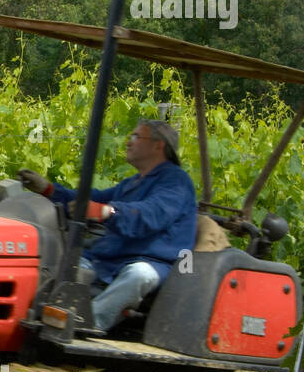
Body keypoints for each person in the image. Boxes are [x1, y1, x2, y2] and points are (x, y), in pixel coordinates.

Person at [17, 119, 197, 334]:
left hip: (152, 261)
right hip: (111, 258)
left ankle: (86, 324)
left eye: (136, 136)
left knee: (139, 275)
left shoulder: (176, 182)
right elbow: (92, 199)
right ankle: (36, 310)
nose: (128, 142)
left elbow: (151, 214)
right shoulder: (132, 183)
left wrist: (107, 212)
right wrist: (49, 190)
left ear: (159, 145)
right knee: (66, 262)